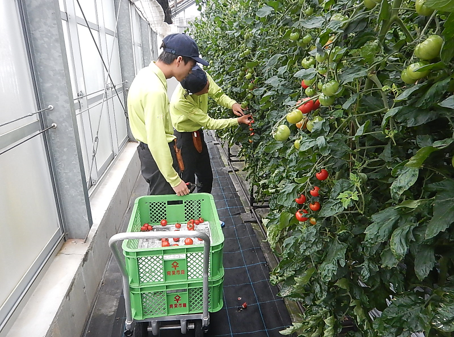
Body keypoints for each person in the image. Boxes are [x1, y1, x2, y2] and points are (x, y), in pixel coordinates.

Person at [127, 33, 209, 196]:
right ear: (179, 60)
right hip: (156, 156)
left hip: (149, 154)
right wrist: (174, 180)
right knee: (165, 209)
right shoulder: (155, 91)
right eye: (191, 65)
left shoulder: (146, 74)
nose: (190, 71)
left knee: (163, 208)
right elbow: (156, 140)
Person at [170, 65, 252, 193]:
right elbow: (209, 123)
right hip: (184, 137)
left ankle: (203, 209)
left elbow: (218, 94)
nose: (209, 90)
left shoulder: (200, 75)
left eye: (208, 85)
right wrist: (237, 121)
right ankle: (186, 212)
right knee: (187, 181)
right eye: (205, 89)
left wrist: (232, 104)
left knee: (206, 177)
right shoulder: (181, 101)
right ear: (193, 93)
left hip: (197, 133)